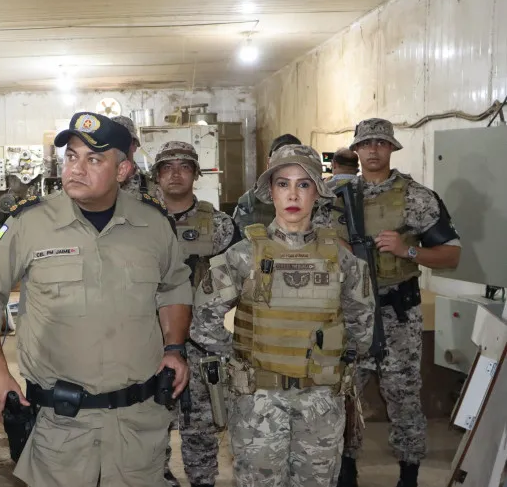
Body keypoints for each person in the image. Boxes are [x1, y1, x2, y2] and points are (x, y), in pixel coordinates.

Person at [0, 111, 193, 487]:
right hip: (60, 428)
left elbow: (174, 286)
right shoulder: (30, 223)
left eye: (94, 159)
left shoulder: (152, 224)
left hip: (136, 424)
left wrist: (174, 347)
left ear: (122, 171)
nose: (76, 169)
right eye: (71, 156)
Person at [194, 144, 375, 487]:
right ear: (270, 192)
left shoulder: (342, 258)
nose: (293, 194)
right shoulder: (242, 256)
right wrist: (243, 361)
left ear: (317, 192)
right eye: (283, 183)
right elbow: (203, 324)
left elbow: (362, 328)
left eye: (303, 184)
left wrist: (332, 361)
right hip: (258, 407)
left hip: (321, 404)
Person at [331, 118, 461, 487]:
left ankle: (409, 472)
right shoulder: (335, 197)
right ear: (356, 150)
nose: (373, 150)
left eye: (381, 143)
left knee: (403, 395)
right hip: (351, 313)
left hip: (398, 313)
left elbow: (451, 255)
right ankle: (346, 469)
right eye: (366, 144)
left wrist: (409, 250)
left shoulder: (416, 197)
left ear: (391, 149)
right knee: (346, 394)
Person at [151, 141, 241, 487]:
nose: (175, 173)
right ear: (157, 175)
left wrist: (208, 321)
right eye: (167, 167)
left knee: (200, 429)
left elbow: (235, 280)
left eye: (184, 166)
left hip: (203, 344)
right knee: (152, 426)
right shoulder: (138, 220)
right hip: (149, 341)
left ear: (196, 174)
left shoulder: (218, 225)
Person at [232, 134, 301, 232]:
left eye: (292, 157)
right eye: (279, 157)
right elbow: (241, 240)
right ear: (269, 162)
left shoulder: (312, 198)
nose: (285, 163)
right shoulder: (249, 201)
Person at [112, 115, 154, 198]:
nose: (117, 146)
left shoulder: (153, 188)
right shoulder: (95, 186)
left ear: (134, 145)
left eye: (123, 141)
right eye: (111, 141)